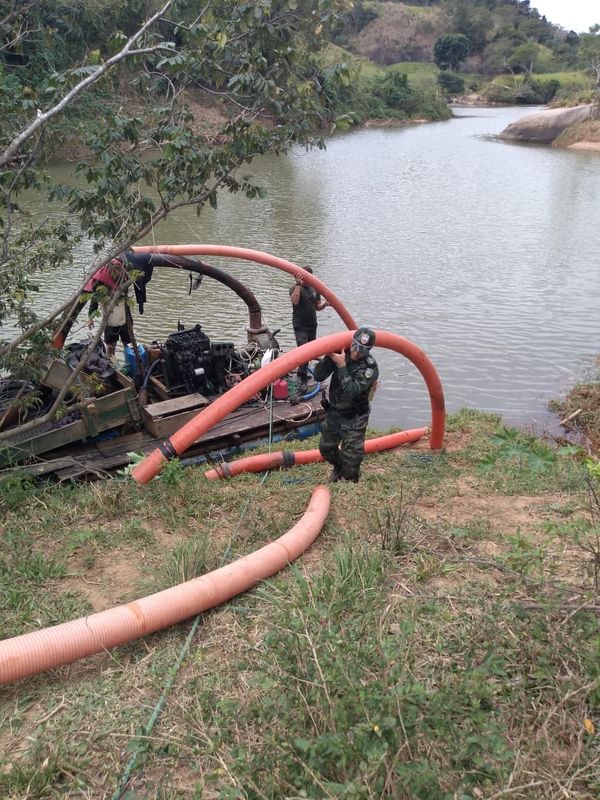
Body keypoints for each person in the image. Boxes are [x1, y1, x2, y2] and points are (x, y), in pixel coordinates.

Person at [313, 326, 379, 483]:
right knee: (326, 449)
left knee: (352, 459)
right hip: (335, 412)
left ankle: (351, 478)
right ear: (352, 343)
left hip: (355, 416)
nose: (356, 352)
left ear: (368, 351)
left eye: (362, 350)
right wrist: (329, 357)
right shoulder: (342, 354)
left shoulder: (370, 368)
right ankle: (338, 467)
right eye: (355, 347)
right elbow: (317, 376)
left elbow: (352, 391)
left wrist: (342, 366)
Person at [289, 266, 328, 388]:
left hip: (312, 324)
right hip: (300, 324)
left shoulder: (315, 289)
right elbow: (295, 301)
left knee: (310, 351)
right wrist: (298, 285)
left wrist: (325, 305)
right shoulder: (295, 288)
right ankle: (302, 377)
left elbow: (317, 307)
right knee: (304, 349)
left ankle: (302, 371)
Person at [85, 257, 131, 359]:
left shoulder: (125, 276)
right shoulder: (102, 278)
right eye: (117, 270)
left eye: (120, 270)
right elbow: (94, 299)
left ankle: (130, 361)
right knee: (111, 343)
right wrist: (91, 318)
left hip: (124, 310)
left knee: (128, 342)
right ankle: (111, 361)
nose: (118, 272)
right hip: (110, 312)